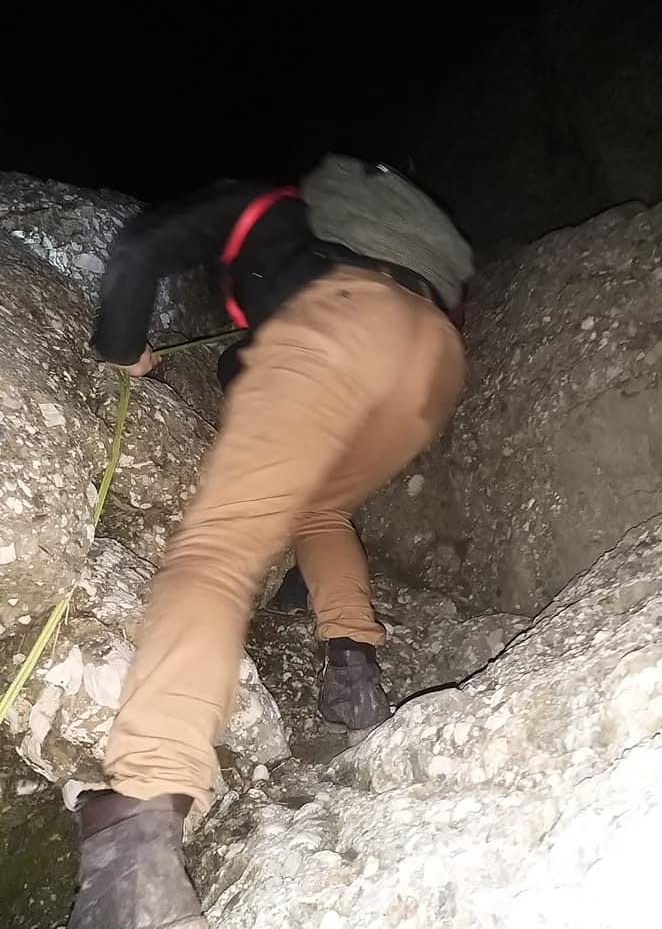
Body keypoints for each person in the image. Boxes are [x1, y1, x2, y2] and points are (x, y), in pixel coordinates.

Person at [68, 153, 474, 929]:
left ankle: (139, 827)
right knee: (318, 511)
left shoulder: (268, 210)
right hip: (433, 365)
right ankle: (353, 669)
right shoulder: (393, 255)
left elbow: (140, 247)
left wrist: (122, 344)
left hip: (346, 320)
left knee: (218, 548)